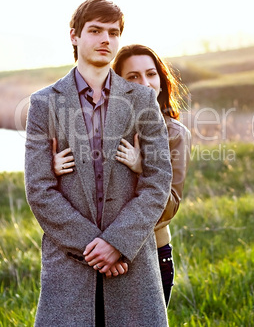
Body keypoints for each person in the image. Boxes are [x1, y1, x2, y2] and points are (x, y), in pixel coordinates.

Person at [25, 0, 172, 327]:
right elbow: (39, 190)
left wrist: (117, 243)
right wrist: (96, 247)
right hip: (69, 266)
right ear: (75, 36)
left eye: (113, 32)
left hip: (131, 264)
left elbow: (158, 181)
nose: (106, 39)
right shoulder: (43, 103)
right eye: (96, 30)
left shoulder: (143, 100)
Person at [53, 44, 191, 306]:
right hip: (92, 255)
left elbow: (169, 207)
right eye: (133, 77)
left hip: (147, 256)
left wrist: (145, 169)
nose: (146, 84)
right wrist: (57, 170)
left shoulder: (174, 134)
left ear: (162, 80)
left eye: (151, 74)